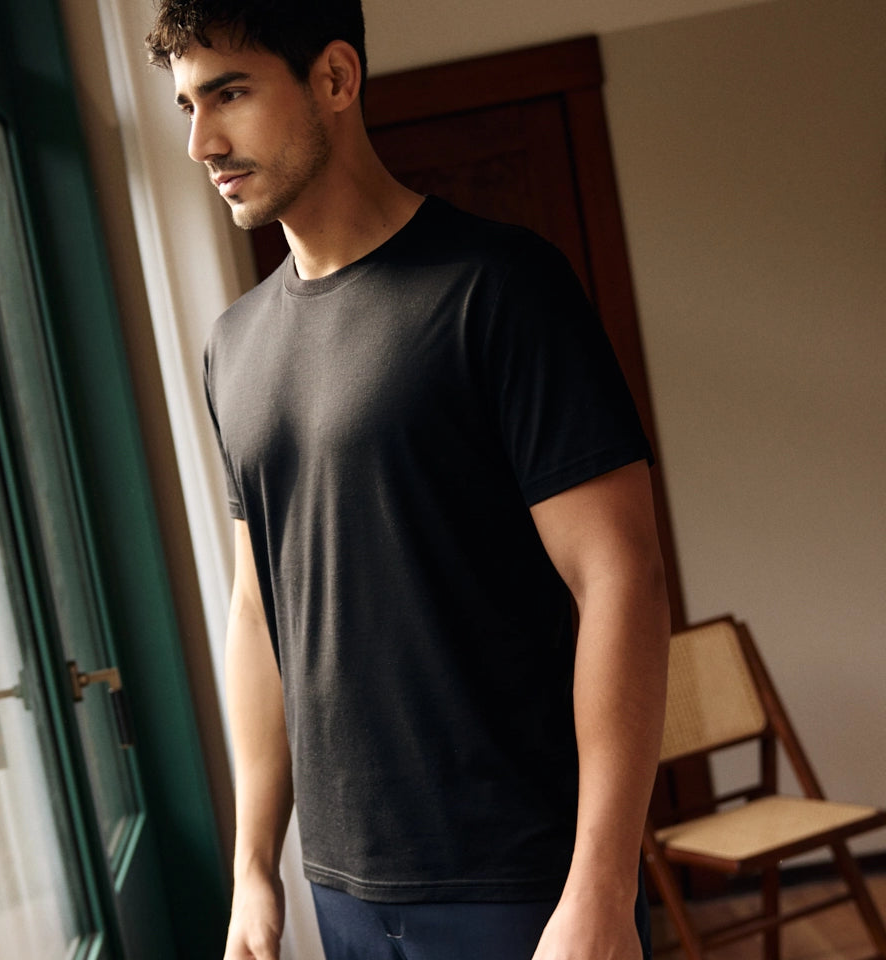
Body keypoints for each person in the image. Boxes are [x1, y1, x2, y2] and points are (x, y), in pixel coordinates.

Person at [146, 3, 671, 958]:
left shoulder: (501, 287)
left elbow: (621, 577)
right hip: (343, 884)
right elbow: (258, 608)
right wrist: (253, 866)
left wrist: (603, 876)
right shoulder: (234, 345)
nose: (200, 141)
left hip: (523, 880)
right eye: (186, 103)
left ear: (336, 80)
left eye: (229, 93)